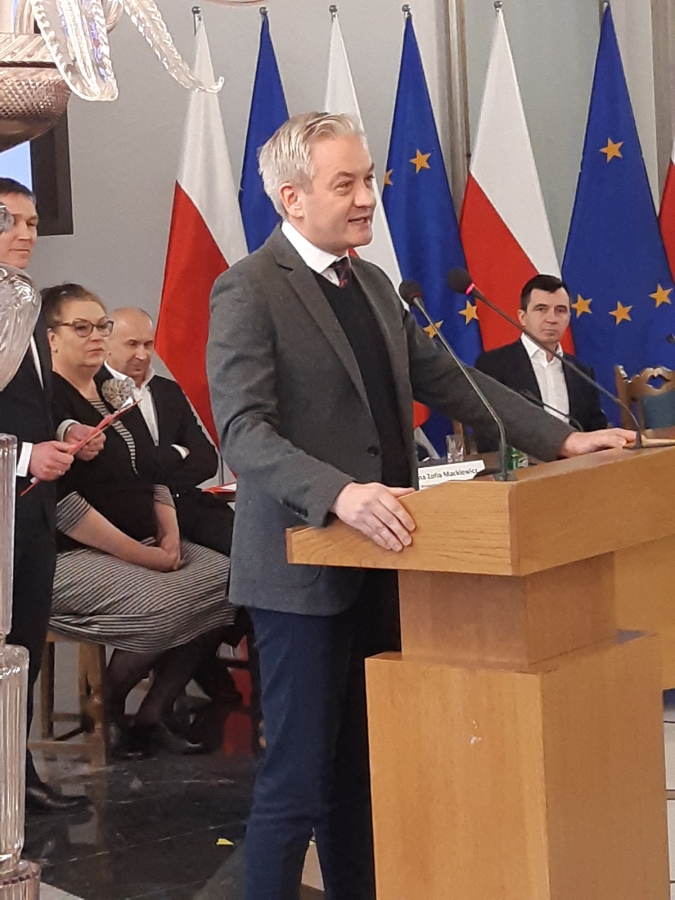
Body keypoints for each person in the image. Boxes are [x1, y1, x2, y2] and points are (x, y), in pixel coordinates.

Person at [206, 112, 634, 900]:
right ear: (292, 198)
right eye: (346, 184)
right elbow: (244, 432)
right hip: (302, 575)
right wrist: (339, 493)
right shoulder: (249, 288)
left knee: (362, 778)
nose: (367, 197)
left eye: (368, 179)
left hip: (388, 561)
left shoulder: (370, 282)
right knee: (296, 785)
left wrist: (563, 439)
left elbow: (451, 381)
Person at [43, 283, 237, 757]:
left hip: (145, 539)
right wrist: (148, 557)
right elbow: (65, 507)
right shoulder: (45, 401)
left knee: (235, 582)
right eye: (81, 327)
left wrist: (168, 538)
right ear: (51, 337)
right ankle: (105, 706)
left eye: (101, 326)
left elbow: (153, 472)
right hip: (75, 553)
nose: (95, 336)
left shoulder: (114, 393)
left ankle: (152, 713)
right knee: (165, 605)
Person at [0, 179, 98, 813]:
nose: (26, 233)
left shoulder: (27, 303)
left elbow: (31, 406)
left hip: (33, 509)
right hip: (4, 498)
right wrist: (22, 457)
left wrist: (63, 433)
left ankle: (17, 775)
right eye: (10, 220)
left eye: (33, 222)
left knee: (26, 644)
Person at [105, 306, 234, 556]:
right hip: (134, 511)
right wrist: (178, 452)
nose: (142, 354)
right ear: (107, 344)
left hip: (186, 501)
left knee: (251, 545)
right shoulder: (94, 390)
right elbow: (131, 467)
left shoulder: (168, 391)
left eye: (148, 345)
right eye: (132, 344)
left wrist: (162, 475)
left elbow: (207, 460)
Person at [474, 274, 608, 443]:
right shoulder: (493, 365)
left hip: (578, 459)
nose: (551, 319)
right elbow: (487, 434)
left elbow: (595, 430)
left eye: (560, 310)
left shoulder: (581, 372)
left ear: (569, 318)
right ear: (522, 317)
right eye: (541, 309)